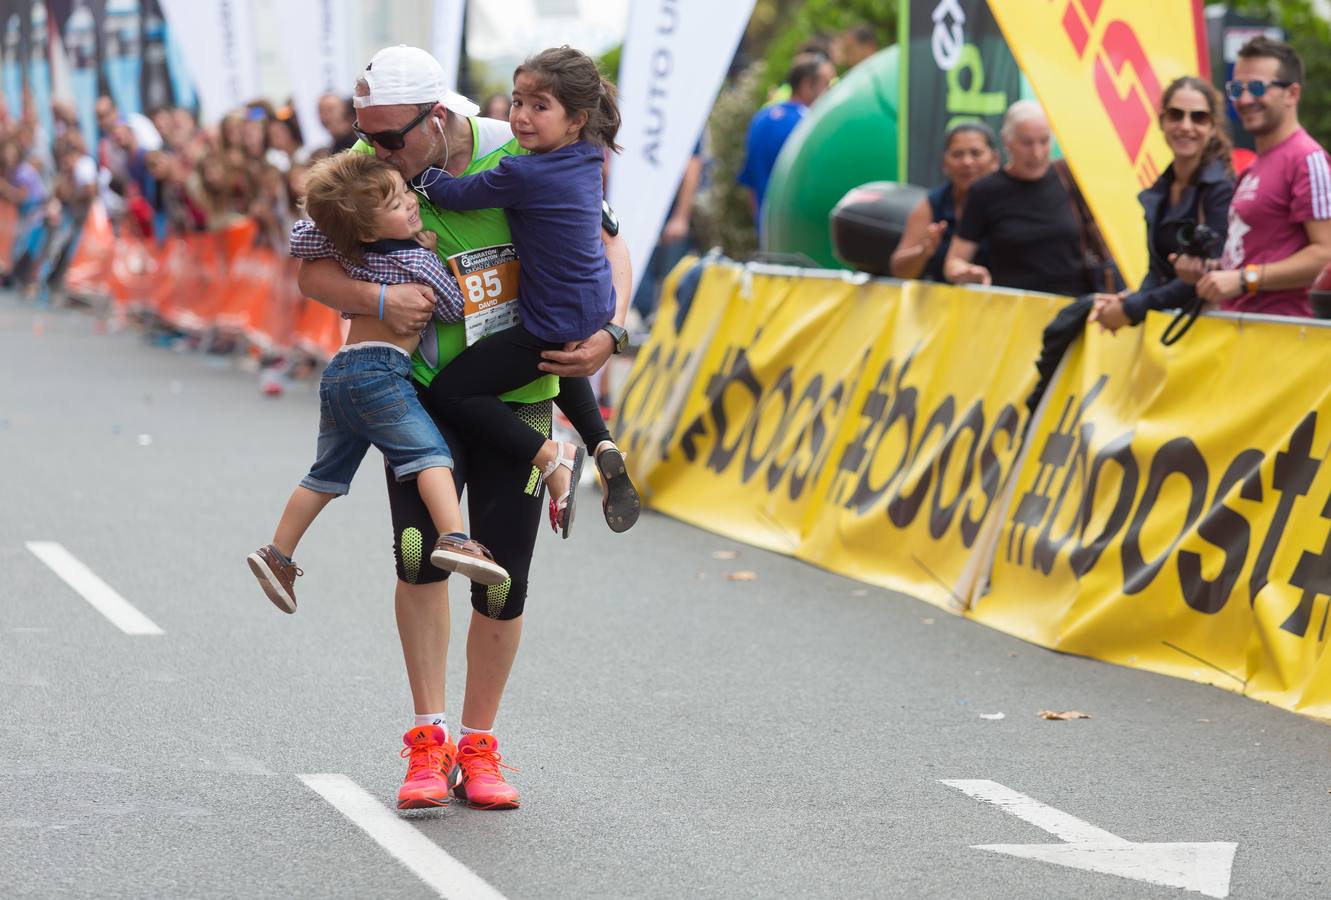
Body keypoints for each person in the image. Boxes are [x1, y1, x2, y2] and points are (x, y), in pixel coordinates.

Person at [296, 44, 632, 812]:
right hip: (417, 395)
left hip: (517, 390)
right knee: (420, 557)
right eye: (368, 137)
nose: (376, 153)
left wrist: (612, 333)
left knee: (504, 579)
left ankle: (479, 745)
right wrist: (376, 303)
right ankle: (427, 739)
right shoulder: (363, 165)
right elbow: (309, 272)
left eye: (391, 140)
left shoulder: (522, 147)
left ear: (438, 118)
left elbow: (608, 243)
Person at [248, 153, 509, 614]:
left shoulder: (346, 252)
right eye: (394, 204)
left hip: (341, 371)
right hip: (383, 372)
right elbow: (452, 309)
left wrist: (344, 228)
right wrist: (432, 255)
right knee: (430, 456)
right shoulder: (419, 262)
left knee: (324, 476)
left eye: (405, 192)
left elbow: (303, 236)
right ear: (368, 229)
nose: (410, 203)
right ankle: (456, 537)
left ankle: (278, 553)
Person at [1175, 36, 1331, 317]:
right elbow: (1249, 261)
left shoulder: (1307, 159)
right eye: (1237, 88)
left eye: (1258, 87)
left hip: (1286, 340)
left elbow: (1327, 255)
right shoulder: (1253, 168)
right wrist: (1209, 272)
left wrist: (1244, 279)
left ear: (1292, 94)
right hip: (1247, 336)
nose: (1244, 99)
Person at [1090, 77, 1234, 333]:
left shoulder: (1221, 189)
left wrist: (1132, 308)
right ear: (1162, 121)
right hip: (1166, 328)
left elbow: (1210, 277)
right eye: (1176, 115)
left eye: (1198, 117)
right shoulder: (1160, 188)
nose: (1186, 126)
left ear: (1212, 127)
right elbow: (1157, 270)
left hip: (1208, 332)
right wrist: (1130, 302)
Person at [944, 100, 1103, 296]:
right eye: (1026, 143)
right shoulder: (985, 191)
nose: (1036, 153)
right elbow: (954, 261)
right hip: (1015, 311)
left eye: (1044, 141)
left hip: (1073, 308)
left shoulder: (1070, 177)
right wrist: (967, 272)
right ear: (1007, 141)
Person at [889, 122, 998, 281]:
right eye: (957, 154)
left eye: (976, 153)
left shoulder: (1012, 199)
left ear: (994, 159)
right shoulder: (933, 205)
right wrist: (923, 251)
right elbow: (899, 270)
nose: (967, 162)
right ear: (944, 162)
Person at [737, 54, 836, 226]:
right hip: (798, 230)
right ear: (806, 85)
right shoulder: (809, 124)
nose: (830, 92)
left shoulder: (761, 117)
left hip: (767, 228)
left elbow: (750, 183)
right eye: (826, 84)